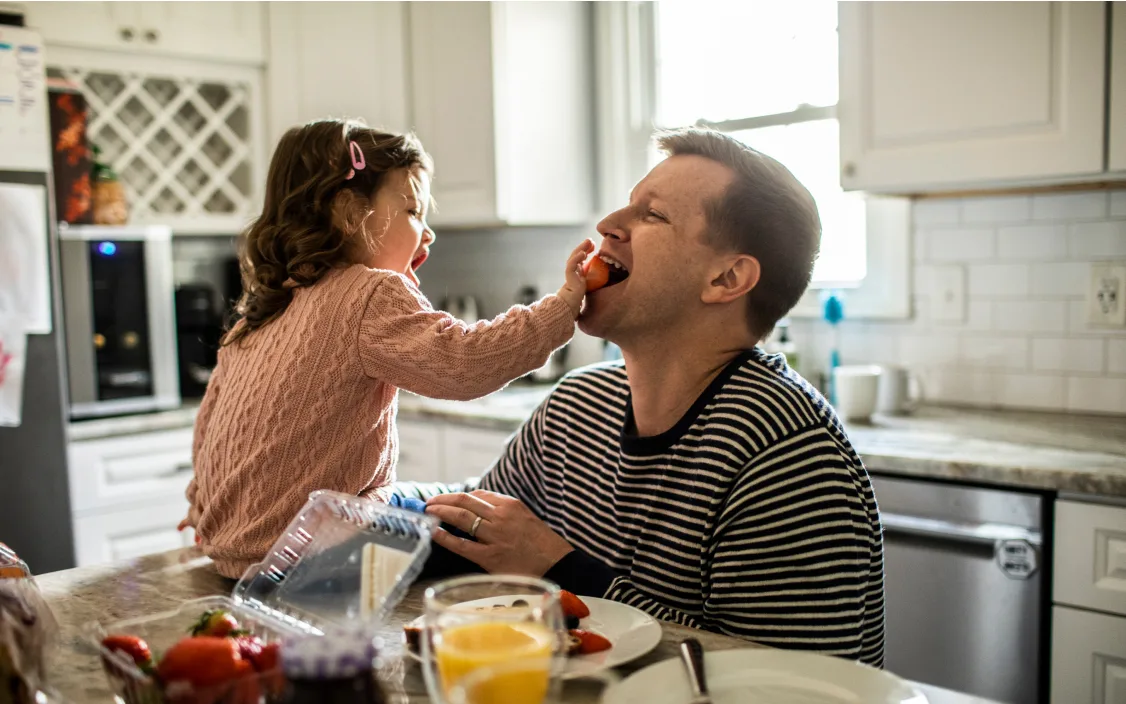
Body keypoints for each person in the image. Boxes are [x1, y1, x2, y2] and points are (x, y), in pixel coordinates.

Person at [398, 128, 885, 666]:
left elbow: (777, 684)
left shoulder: (787, 454)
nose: (608, 226)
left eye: (652, 215)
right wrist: (355, 503)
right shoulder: (579, 404)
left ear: (727, 278)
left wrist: (557, 567)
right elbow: (481, 523)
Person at [180, 119, 590, 579]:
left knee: (428, 501)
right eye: (413, 211)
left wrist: (204, 507)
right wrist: (563, 307)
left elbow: (209, 432)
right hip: (321, 551)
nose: (428, 233)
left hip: (236, 556)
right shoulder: (368, 294)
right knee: (488, 536)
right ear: (349, 212)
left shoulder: (258, 313)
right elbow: (463, 363)